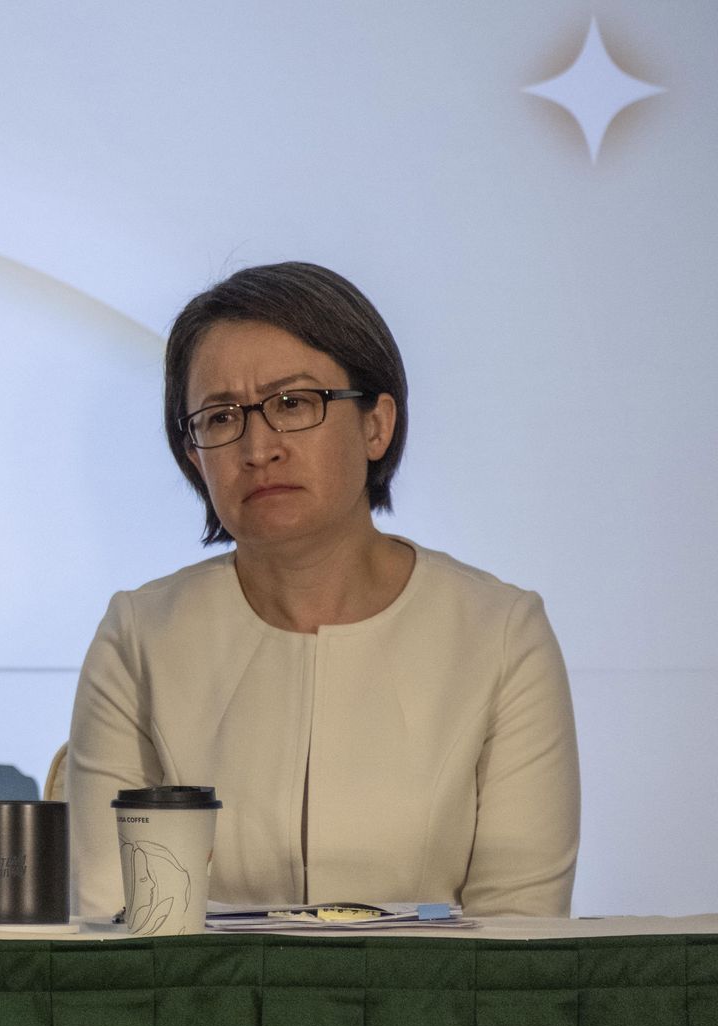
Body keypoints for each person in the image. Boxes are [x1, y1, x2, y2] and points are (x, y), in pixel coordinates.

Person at [65, 262, 579, 918]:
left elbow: (520, 935)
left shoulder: (501, 633)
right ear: (194, 455)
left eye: (292, 404)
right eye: (221, 417)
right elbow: (114, 919)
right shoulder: (139, 636)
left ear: (376, 425)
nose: (259, 448)